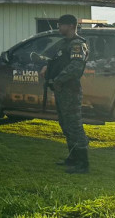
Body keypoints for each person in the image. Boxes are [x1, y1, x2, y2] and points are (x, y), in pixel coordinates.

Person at [42, 14, 90, 174]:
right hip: (62, 89)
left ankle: (83, 163)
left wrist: (59, 79)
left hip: (70, 89)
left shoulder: (77, 44)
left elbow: (76, 66)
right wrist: (48, 70)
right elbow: (60, 62)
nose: (58, 27)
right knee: (65, 123)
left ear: (70, 26)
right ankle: (73, 157)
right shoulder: (65, 43)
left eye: (61, 25)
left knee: (74, 125)